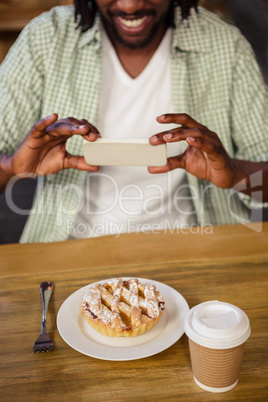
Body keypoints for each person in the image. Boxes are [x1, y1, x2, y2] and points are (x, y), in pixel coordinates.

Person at [0, 0, 267, 243]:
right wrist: (12, 167)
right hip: (70, 249)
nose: (130, 6)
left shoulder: (224, 44)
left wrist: (235, 173)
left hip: (195, 246)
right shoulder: (46, 38)